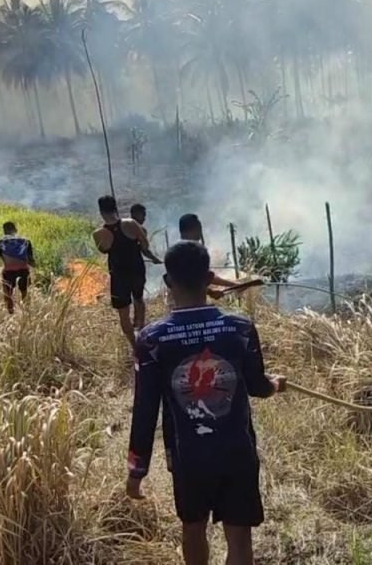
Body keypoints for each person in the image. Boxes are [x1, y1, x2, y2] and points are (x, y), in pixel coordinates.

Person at [127, 241, 285, 565]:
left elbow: (145, 409)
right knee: (240, 538)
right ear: (210, 278)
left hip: (189, 456)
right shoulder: (239, 328)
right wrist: (276, 386)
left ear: (168, 282)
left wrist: (136, 470)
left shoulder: (153, 339)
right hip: (237, 451)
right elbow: (257, 386)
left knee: (193, 528)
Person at [92, 195, 158, 346]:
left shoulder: (97, 234)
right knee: (139, 300)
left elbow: (103, 250)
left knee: (123, 313)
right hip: (136, 270)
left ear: (101, 211)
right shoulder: (131, 223)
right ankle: (141, 332)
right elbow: (145, 245)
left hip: (118, 275)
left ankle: (134, 344)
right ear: (115, 208)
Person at [177, 213, 248, 301]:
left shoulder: (175, 251)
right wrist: (233, 285)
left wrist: (211, 291)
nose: (200, 233)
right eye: (199, 229)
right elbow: (201, 276)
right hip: (192, 305)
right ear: (193, 229)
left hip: (178, 305)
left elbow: (190, 280)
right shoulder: (192, 251)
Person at [0, 221, 35, 314]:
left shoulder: (0, 242)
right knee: (25, 294)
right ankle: (27, 315)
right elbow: (31, 260)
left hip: (8, 272)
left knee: (8, 295)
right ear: (15, 229)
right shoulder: (26, 241)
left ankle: (10, 314)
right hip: (23, 271)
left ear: (4, 231)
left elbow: (2, 258)